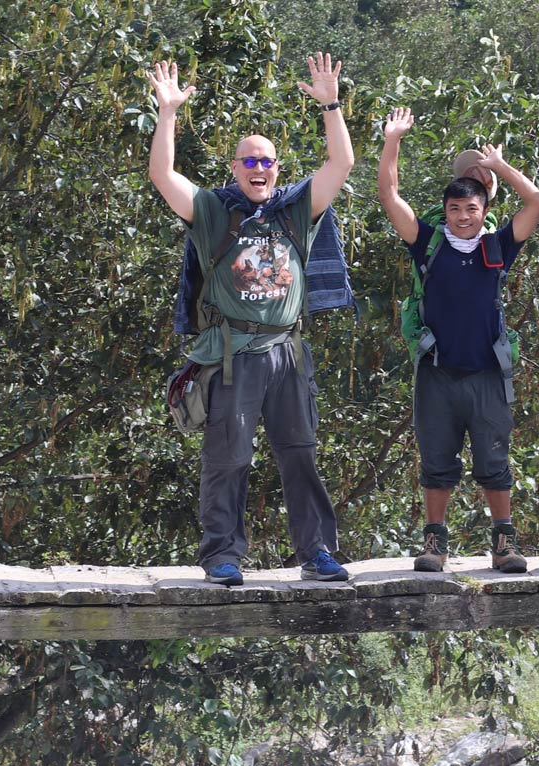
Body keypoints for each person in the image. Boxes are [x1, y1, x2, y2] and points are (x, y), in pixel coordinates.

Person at [147, 54, 355, 586]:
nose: (258, 169)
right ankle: (222, 556)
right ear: (235, 169)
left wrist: (331, 105)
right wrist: (168, 112)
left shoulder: (295, 211)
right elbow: (163, 175)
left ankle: (316, 553)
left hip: (288, 352)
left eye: (267, 161)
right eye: (249, 162)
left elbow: (340, 164)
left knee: (300, 454)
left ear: (277, 169)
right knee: (229, 458)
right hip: (232, 355)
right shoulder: (213, 211)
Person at [377, 108, 539, 573]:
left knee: (495, 461)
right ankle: (435, 544)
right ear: (446, 211)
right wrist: (393, 140)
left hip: (488, 373)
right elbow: (389, 195)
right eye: (455, 209)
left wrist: (500, 167)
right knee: (436, 462)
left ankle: (504, 543)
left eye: (472, 209)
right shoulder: (427, 243)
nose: (463, 217)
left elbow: (536, 202)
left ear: (485, 211)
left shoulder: (498, 247)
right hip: (437, 373)